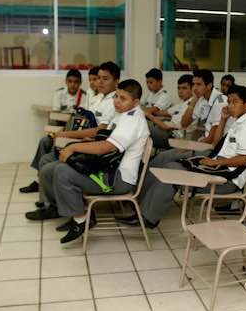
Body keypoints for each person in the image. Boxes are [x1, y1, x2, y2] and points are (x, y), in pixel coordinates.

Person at [118, 85, 246, 228]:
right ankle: (142, 207)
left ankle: (147, 217)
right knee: (169, 164)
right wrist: (223, 119)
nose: (230, 106)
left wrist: (213, 162)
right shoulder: (239, 122)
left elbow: (244, 159)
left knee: (172, 171)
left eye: (234, 102)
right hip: (219, 167)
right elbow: (217, 144)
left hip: (228, 180)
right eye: (229, 102)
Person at [49, 79, 151, 243]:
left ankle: (81, 220)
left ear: (136, 101)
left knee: (62, 171)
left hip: (118, 179)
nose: (117, 101)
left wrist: (73, 147)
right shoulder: (124, 113)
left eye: (122, 98)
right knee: (59, 165)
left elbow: (107, 147)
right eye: (116, 96)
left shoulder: (133, 119)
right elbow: (103, 138)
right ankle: (79, 215)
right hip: (110, 168)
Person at [24, 61, 120, 220]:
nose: (99, 82)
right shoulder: (101, 98)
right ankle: (51, 203)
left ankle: (53, 205)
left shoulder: (112, 102)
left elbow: (99, 131)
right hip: (86, 140)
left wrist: (68, 135)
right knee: (46, 158)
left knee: (47, 163)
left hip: (93, 148)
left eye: (105, 79)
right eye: (98, 78)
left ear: (116, 81)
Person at [19, 69, 87, 194]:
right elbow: (56, 114)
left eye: (76, 82)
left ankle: (45, 182)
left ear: (80, 83)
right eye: (70, 81)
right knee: (44, 141)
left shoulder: (84, 96)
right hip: (59, 127)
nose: (73, 85)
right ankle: (40, 179)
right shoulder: (59, 93)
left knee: (54, 146)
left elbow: (81, 118)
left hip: (74, 130)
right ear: (66, 82)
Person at [149, 69, 228, 168]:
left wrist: (191, 146)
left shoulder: (220, 102)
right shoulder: (201, 99)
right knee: (162, 157)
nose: (195, 88)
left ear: (209, 85)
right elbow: (184, 123)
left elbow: (211, 139)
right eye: (194, 84)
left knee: (165, 158)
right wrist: (194, 100)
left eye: (199, 84)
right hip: (201, 144)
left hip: (212, 149)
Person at [146, 74, 194, 148]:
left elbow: (166, 127)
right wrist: (143, 110)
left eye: (184, 88)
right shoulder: (181, 104)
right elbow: (159, 113)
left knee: (143, 126)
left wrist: (148, 114)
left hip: (173, 137)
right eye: (179, 88)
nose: (180, 91)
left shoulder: (191, 105)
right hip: (166, 132)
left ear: (192, 89)